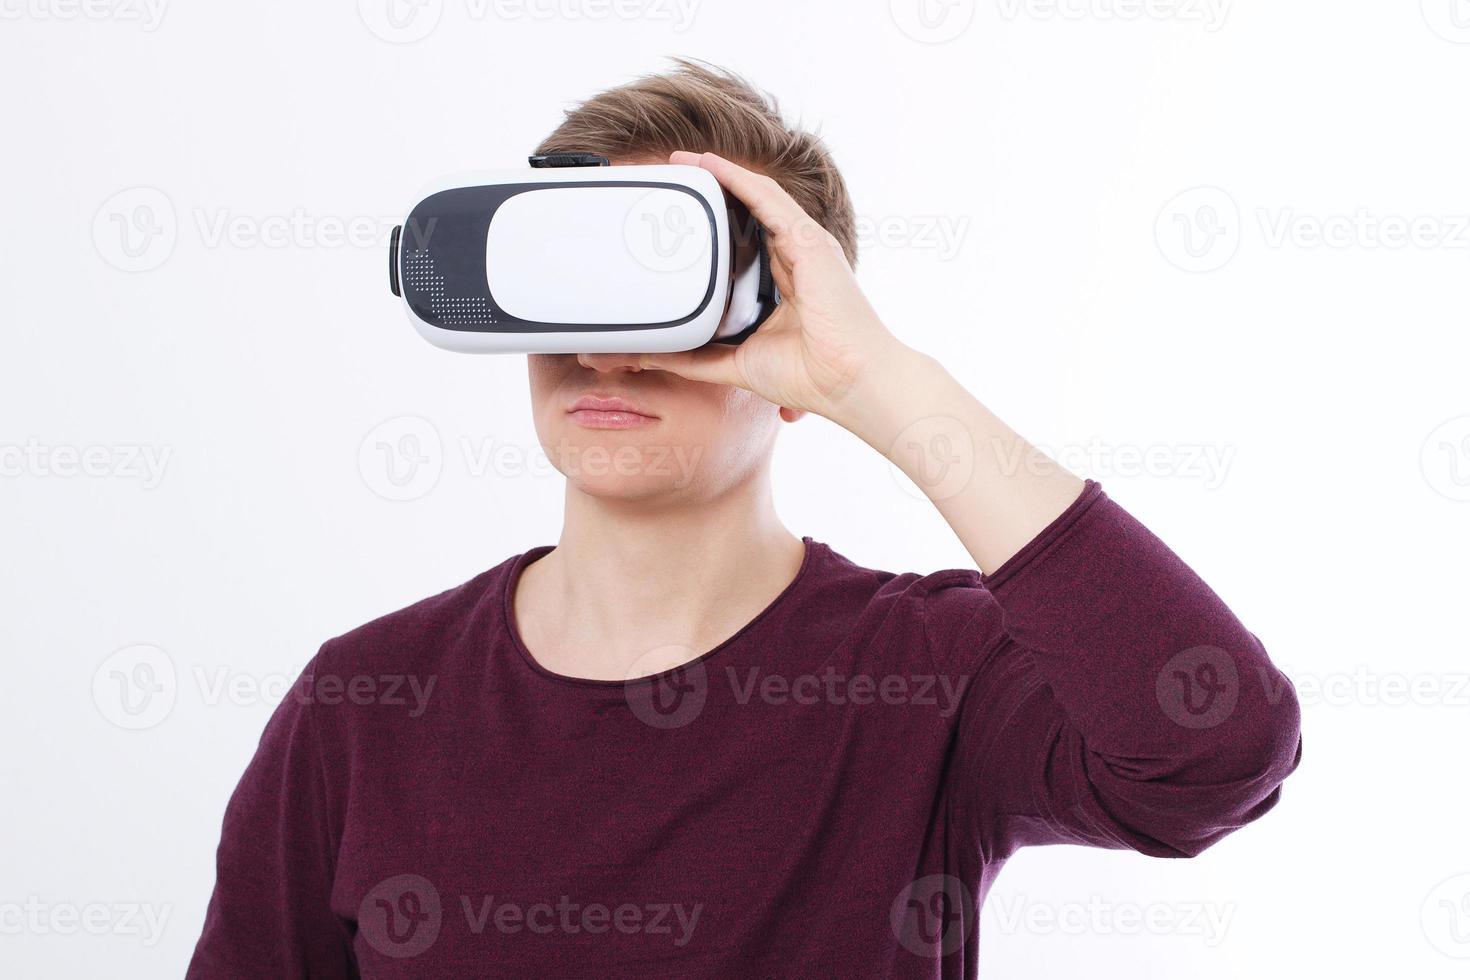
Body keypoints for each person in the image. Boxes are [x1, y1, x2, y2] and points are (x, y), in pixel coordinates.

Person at [188, 60, 1301, 978]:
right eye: (571, 280)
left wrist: (876, 378)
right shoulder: (364, 702)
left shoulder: (924, 678)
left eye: (672, 288)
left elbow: (1214, 751)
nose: (606, 348)